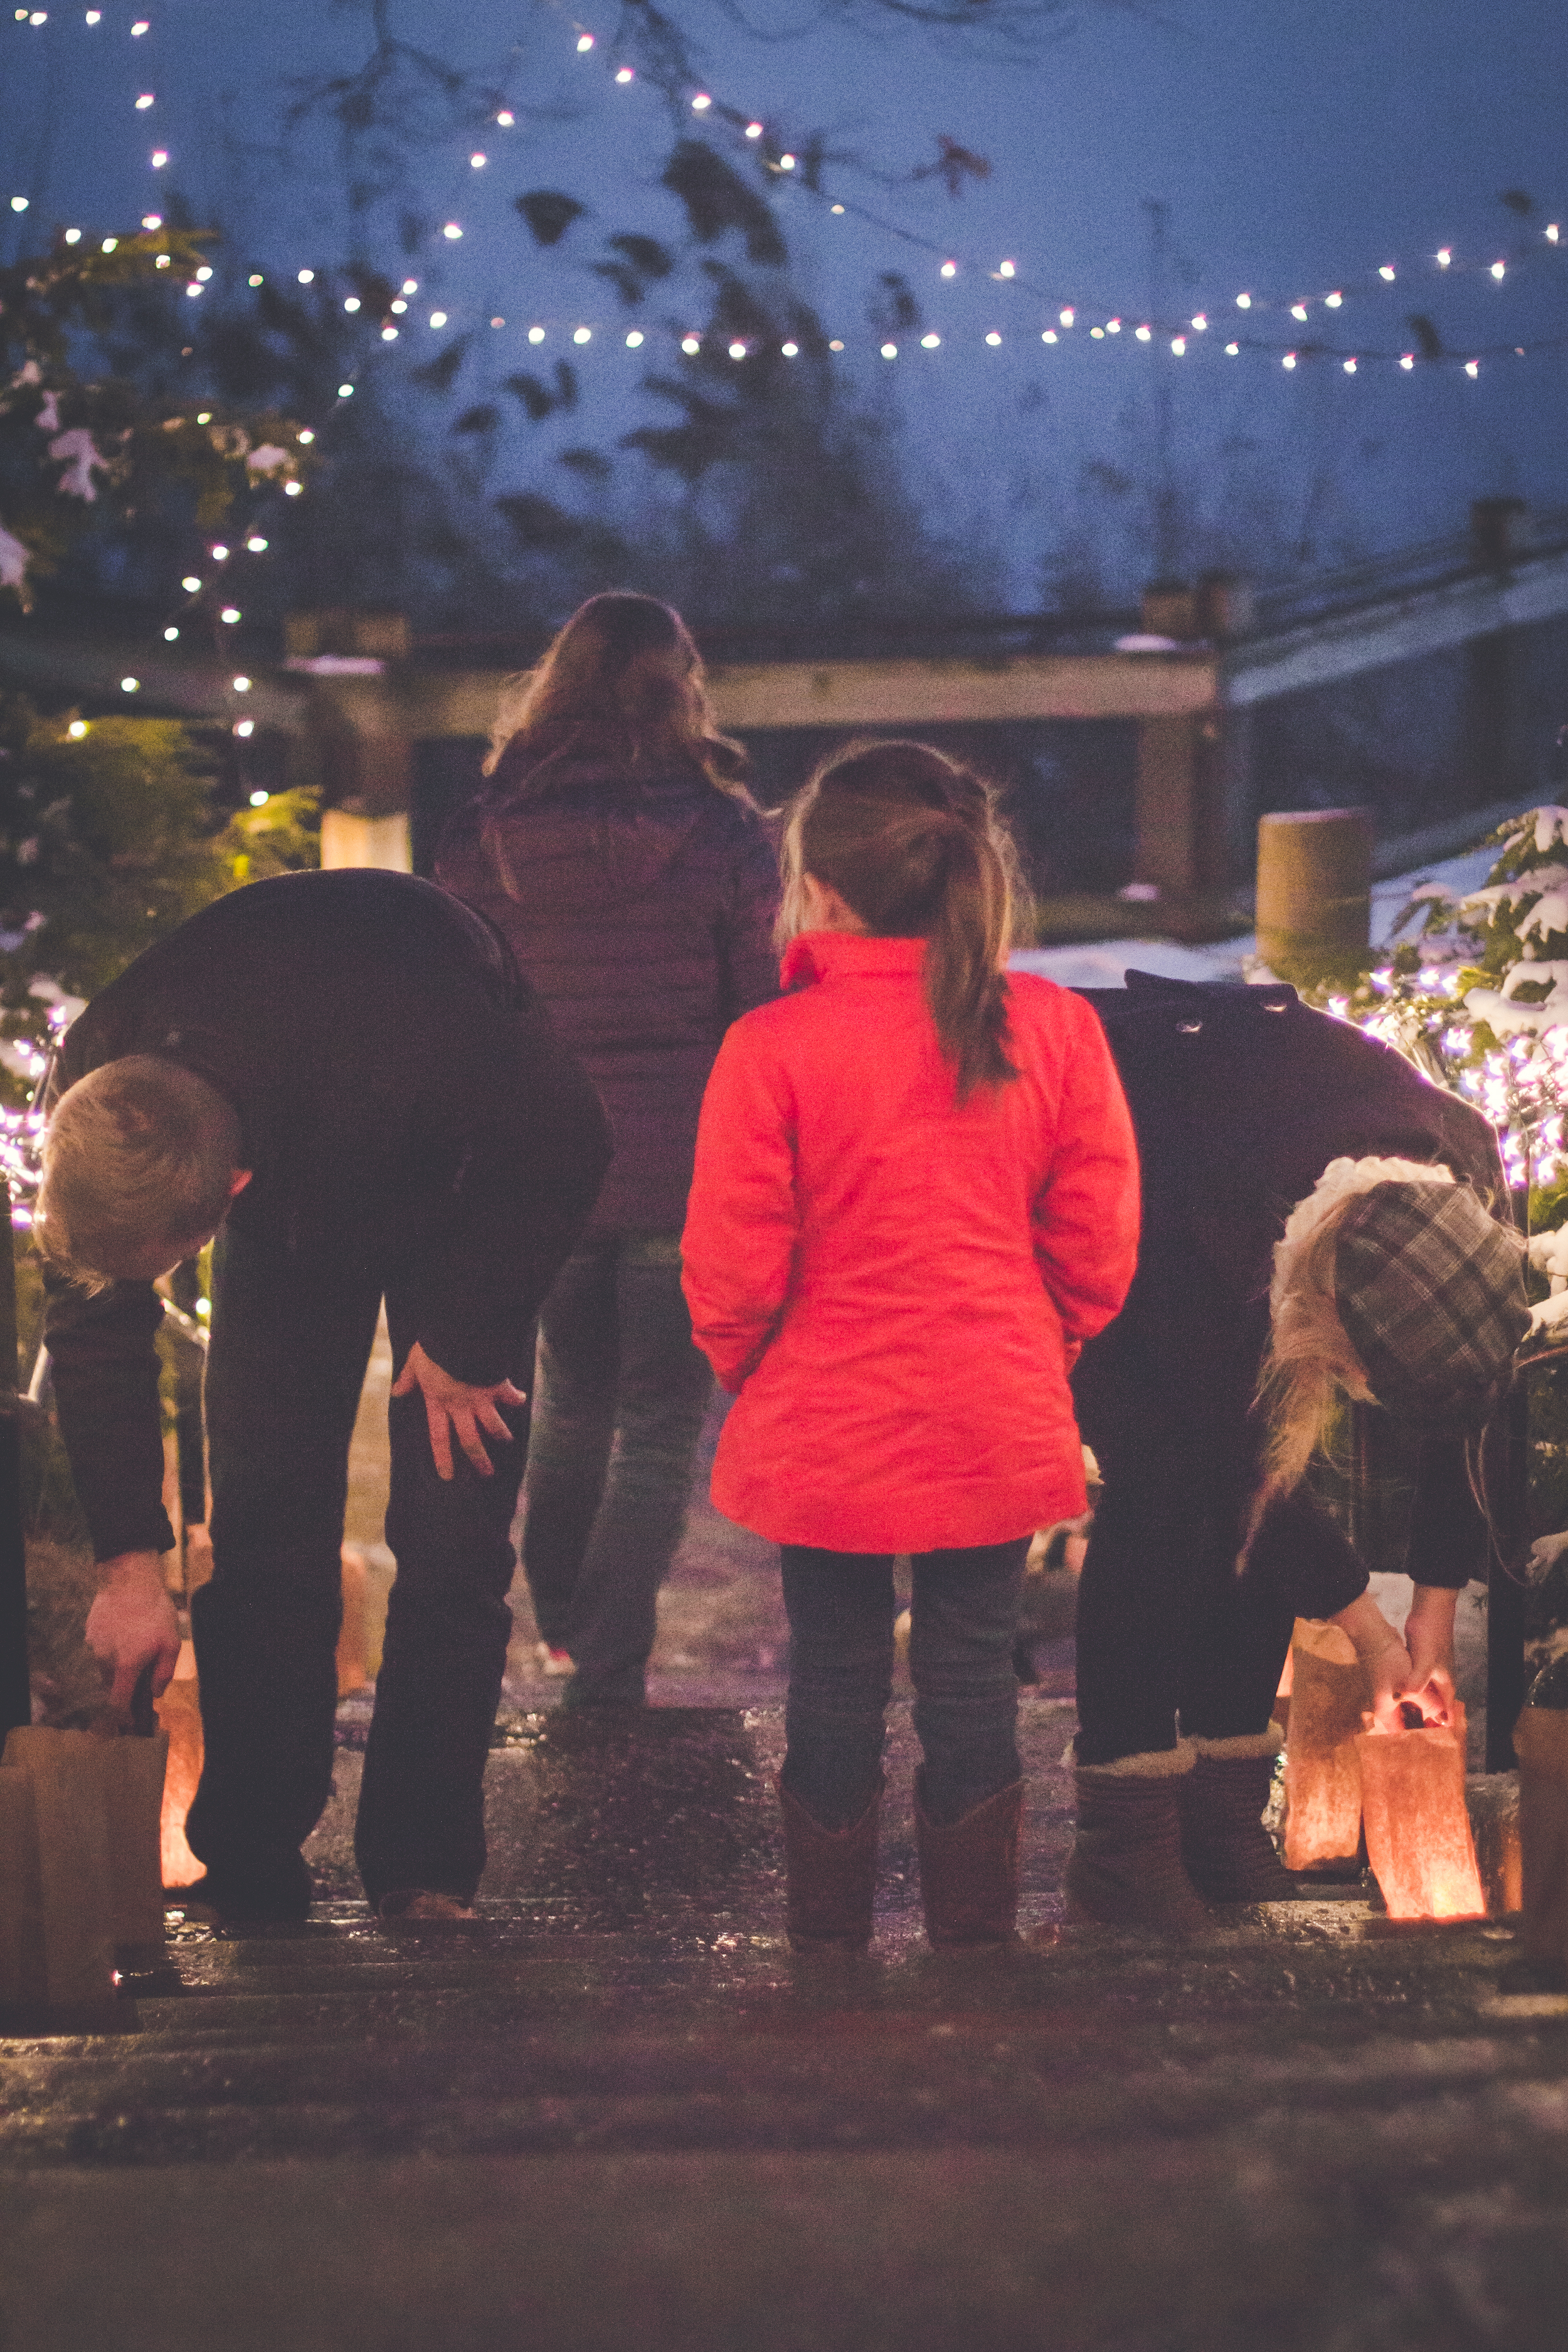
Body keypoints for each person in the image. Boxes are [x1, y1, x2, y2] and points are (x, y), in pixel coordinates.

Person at [38, 868, 611, 1924]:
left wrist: (467, 1334)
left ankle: (423, 1863)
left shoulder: (426, 1045)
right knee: (263, 1523)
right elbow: (93, 1325)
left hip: (464, 1191)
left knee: (452, 1532)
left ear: (231, 1197)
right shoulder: (96, 1086)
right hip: (293, 1178)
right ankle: (251, 1856)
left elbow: (569, 1138)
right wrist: (127, 1560)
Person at [681, 743, 1141, 1951]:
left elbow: (731, 1270)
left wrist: (761, 1374)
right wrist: (1037, 1345)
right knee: (976, 1673)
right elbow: (1096, 1242)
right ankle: (975, 1950)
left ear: (819, 888)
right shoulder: (1053, 1028)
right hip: (993, 1410)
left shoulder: (772, 1046)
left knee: (830, 1678)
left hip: (824, 1422)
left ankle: (828, 1953)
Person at [1064, 970, 1529, 1931]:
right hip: (1120, 1159)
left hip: (1256, 1147)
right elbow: (1229, 1451)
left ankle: (1221, 1813)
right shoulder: (1205, 1213)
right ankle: (1127, 1840)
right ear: (1320, 1315)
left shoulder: (1470, 1173)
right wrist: (1367, 1627)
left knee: (1267, 1477)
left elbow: (1465, 1404)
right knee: (1168, 1487)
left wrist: (1432, 1616)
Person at [435, 592, 778, 1708]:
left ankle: (567, 1617)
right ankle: (607, 1658)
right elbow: (756, 1007)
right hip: (682, 1171)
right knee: (661, 1421)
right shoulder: (725, 832)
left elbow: (468, 1009)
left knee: (570, 1401)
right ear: (680, 688)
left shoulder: (486, 829)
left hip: (548, 1173)